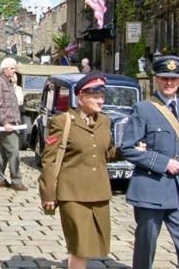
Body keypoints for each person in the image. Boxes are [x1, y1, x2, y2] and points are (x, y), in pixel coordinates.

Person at [121, 56, 179, 269]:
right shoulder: (143, 109)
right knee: (147, 243)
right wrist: (164, 163)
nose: (169, 83)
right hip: (151, 189)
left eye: (174, 78)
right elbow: (128, 149)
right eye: (164, 78)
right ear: (156, 80)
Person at [39, 72, 121, 269]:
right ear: (81, 97)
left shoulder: (105, 121)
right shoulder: (63, 121)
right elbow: (49, 160)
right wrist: (49, 193)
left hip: (99, 193)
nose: (100, 101)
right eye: (95, 96)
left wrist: (125, 151)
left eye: (102, 96)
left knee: (95, 246)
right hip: (73, 194)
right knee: (80, 246)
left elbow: (105, 153)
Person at [0, 58, 26, 191]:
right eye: (12, 68)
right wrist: (4, 122)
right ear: (5, 69)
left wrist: (15, 84)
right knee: (13, 153)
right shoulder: (0, 83)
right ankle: (16, 181)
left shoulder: (8, 83)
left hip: (12, 122)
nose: (14, 70)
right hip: (8, 124)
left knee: (3, 153)